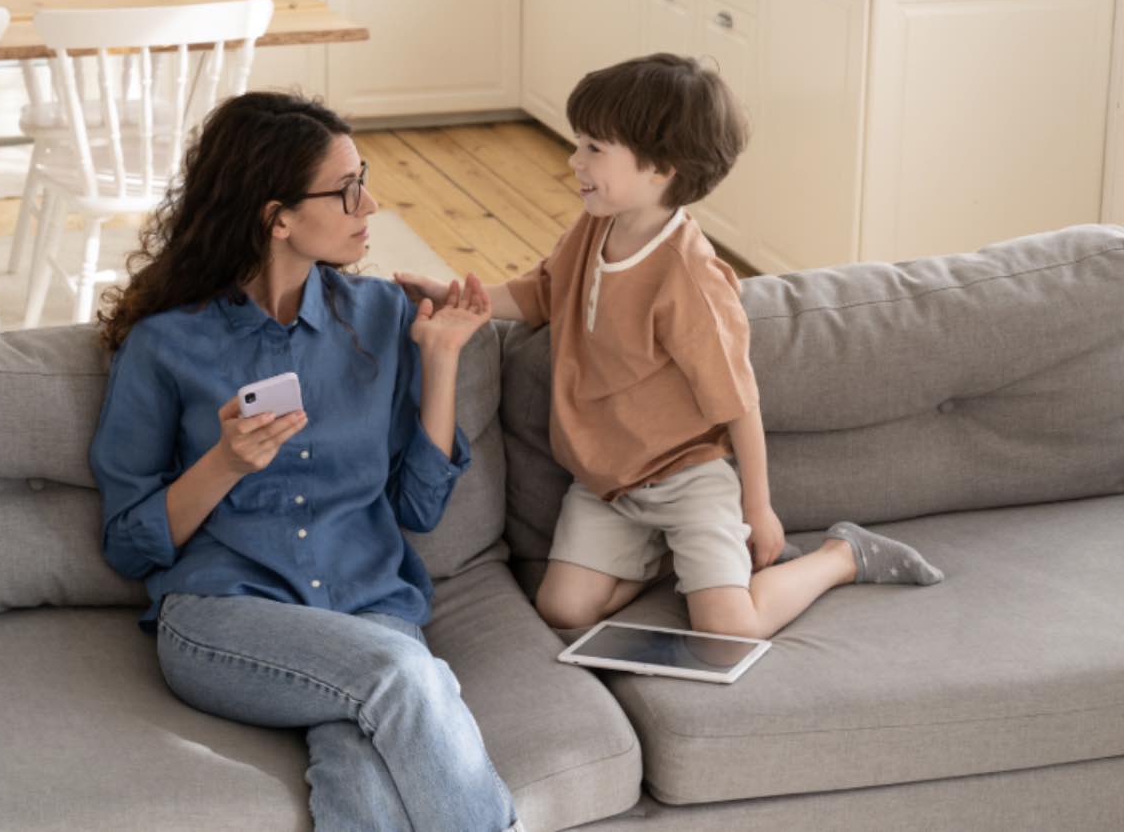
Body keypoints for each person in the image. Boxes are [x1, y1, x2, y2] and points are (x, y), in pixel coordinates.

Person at [396, 53, 942, 642]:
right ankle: (677, 563)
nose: (573, 159)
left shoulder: (689, 277)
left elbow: (739, 403)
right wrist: (455, 295)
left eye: (593, 149)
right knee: (564, 610)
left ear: (661, 168)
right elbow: (545, 293)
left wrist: (758, 510)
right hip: (608, 482)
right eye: (579, 143)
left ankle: (842, 557)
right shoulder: (595, 224)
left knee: (733, 627)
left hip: (688, 478)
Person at [90, 91, 520, 832]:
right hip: (226, 617)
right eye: (348, 188)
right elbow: (130, 542)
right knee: (405, 678)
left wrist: (441, 359)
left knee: (362, 776)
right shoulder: (165, 346)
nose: (371, 203)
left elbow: (417, 508)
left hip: (368, 609)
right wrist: (225, 462)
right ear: (277, 216)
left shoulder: (383, 319)